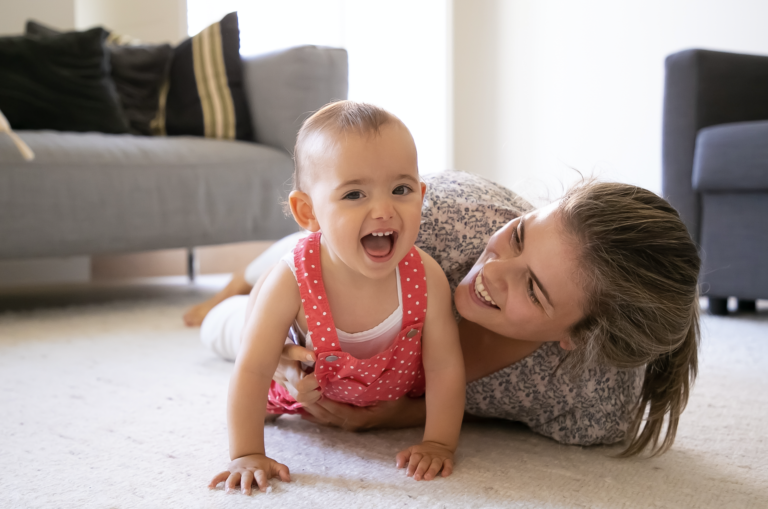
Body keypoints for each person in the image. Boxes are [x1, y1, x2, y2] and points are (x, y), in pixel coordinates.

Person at [193, 138, 700, 468]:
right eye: (520, 236)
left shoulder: (592, 405)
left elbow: (485, 407)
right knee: (234, 323)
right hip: (324, 268)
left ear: (579, 337)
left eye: (532, 289)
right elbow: (319, 239)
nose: (492, 271)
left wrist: (397, 415)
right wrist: (277, 343)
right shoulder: (430, 223)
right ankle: (237, 280)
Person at [208, 101, 466, 495]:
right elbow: (253, 369)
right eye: (354, 194)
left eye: (401, 189)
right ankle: (223, 303)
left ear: (421, 195)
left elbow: (446, 366)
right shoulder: (292, 281)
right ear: (308, 211)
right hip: (286, 362)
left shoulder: (425, 276)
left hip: (367, 392)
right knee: (229, 332)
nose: (383, 209)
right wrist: (246, 453)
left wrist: (438, 441)